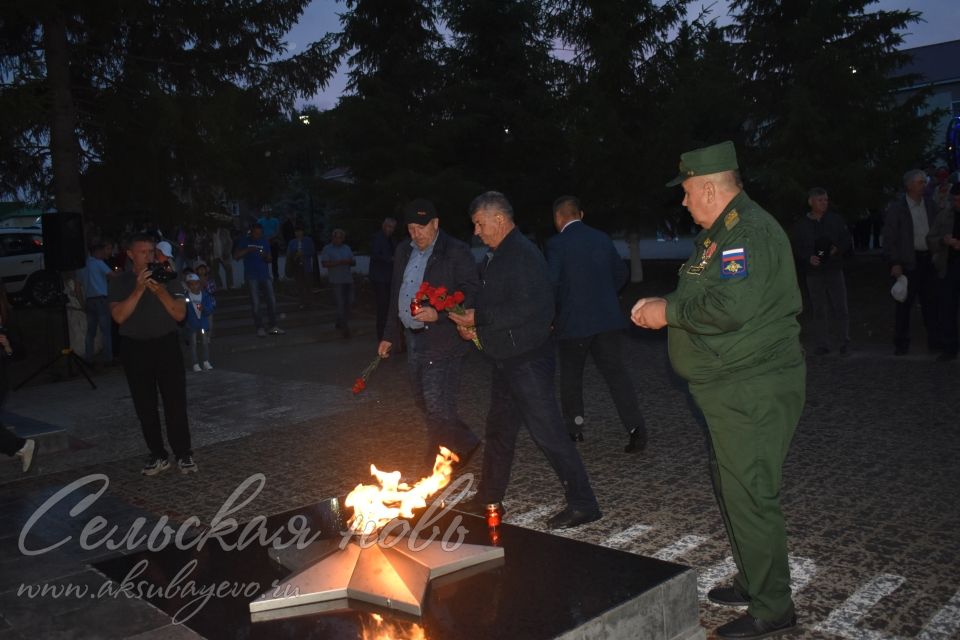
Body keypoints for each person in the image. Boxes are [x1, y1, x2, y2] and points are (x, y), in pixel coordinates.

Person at [631, 142, 804, 639]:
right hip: (729, 387)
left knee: (750, 491)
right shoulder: (721, 234)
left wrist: (668, 313)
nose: (683, 203)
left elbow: (730, 308)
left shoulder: (747, 232)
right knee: (733, 484)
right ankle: (754, 583)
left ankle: (773, 607)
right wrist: (664, 301)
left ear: (709, 187)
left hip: (751, 387)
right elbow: (704, 293)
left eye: (686, 192)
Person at [448, 191, 602, 531]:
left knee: (549, 433)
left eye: (479, 224)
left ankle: (584, 503)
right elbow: (494, 302)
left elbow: (533, 308)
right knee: (499, 432)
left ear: (499, 220)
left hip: (527, 362)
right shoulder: (498, 255)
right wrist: (472, 323)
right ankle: (490, 496)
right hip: (506, 360)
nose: (476, 231)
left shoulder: (523, 254)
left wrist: (480, 318)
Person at [377, 199, 480, 474]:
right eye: (410, 228)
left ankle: (434, 470)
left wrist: (441, 314)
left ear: (435, 224)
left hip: (445, 338)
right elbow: (395, 294)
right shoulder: (403, 251)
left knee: (436, 405)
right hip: (414, 339)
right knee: (424, 400)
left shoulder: (455, 251)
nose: (416, 234)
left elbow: (472, 291)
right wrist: (389, 334)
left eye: (421, 228)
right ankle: (467, 441)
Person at [546, 196, 648, 452]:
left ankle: (575, 429)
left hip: (573, 323)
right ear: (581, 213)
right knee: (617, 376)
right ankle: (636, 429)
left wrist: (552, 316)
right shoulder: (601, 238)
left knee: (572, 378)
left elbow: (552, 284)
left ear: (558, 218)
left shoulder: (557, 244)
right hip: (607, 320)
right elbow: (621, 273)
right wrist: (604, 297)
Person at [109, 234, 197, 475]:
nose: (148, 256)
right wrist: (138, 289)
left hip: (166, 344)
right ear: (130, 254)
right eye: (143, 252)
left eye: (151, 251)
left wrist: (159, 291)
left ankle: (183, 452)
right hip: (135, 348)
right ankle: (157, 454)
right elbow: (118, 317)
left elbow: (179, 314)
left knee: (175, 402)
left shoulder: (169, 278)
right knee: (145, 405)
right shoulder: (120, 281)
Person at [883, 169, 941, 356]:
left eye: (924, 182)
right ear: (909, 185)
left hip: (928, 260)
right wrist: (895, 262)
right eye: (920, 182)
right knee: (903, 305)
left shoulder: (931, 206)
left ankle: (935, 341)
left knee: (931, 304)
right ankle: (901, 344)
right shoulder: (897, 209)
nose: (924, 185)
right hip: (908, 262)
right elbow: (890, 238)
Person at [791, 188, 852, 355]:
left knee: (840, 306)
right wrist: (807, 257)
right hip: (814, 272)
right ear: (811, 202)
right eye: (820, 200)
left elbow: (846, 240)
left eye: (825, 200)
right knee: (819, 308)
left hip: (833, 268)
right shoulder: (802, 224)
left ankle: (844, 341)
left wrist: (836, 249)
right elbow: (796, 246)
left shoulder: (835, 220)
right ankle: (822, 344)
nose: (824, 203)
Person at [0, 287, 36, 473]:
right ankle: (20, 446)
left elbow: (20, 352)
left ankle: (20, 446)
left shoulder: (7, 317)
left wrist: (7, 346)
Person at [927, 182, 960, 361]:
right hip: (950, 267)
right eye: (955, 200)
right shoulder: (945, 216)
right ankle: (950, 346)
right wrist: (943, 241)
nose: (957, 203)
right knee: (948, 308)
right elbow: (930, 238)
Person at [233, 223, 285, 338]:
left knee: (272, 301)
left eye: (260, 233)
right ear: (251, 232)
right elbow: (236, 256)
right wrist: (248, 250)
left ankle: (273, 326)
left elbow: (270, 259)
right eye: (256, 233)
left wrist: (266, 257)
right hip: (252, 276)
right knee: (256, 303)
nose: (258, 235)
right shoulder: (244, 241)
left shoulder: (264, 241)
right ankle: (260, 327)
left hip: (265, 275)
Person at [76, 241, 117, 366]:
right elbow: (113, 276)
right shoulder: (99, 263)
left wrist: (82, 303)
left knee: (91, 332)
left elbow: (77, 288)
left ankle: (89, 357)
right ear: (97, 252)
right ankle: (108, 358)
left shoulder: (81, 266)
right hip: (101, 299)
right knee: (106, 331)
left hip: (89, 300)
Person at [320, 229, 356, 338]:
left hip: (348, 279)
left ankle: (339, 320)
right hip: (336, 280)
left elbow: (353, 261)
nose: (339, 239)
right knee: (340, 303)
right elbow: (324, 263)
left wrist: (349, 261)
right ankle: (345, 328)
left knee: (350, 301)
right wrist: (338, 262)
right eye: (337, 237)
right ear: (333, 238)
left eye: (341, 237)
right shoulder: (327, 249)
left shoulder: (347, 248)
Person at [370, 217, 398, 341]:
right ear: (383, 225)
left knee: (389, 307)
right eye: (388, 226)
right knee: (382, 308)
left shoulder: (392, 239)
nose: (390, 229)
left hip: (390, 278)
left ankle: (390, 336)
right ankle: (381, 337)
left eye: (392, 227)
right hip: (379, 278)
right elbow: (376, 254)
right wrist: (389, 259)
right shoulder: (377, 237)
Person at [184, 273, 216, 371]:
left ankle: (206, 361)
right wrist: (186, 324)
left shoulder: (205, 295)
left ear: (199, 283)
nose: (194, 286)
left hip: (202, 323)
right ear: (188, 285)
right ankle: (195, 363)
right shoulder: (186, 297)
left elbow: (210, 309)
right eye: (191, 284)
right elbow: (184, 311)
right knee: (193, 344)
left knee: (204, 343)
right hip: (192, 324)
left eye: (195, 283)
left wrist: (204, 309)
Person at [285, 223, 316, 309]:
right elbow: (289, 254)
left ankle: (310, 302)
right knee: (299, 285)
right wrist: (295, 256)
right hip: (296, 267)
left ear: (303, 232)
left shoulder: (308, 240)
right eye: (296, 231)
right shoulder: (292, 242)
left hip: (307, 266)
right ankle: (301, 302)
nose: (298, 233)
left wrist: (303, 254)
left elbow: (312, 252)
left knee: (308, 285)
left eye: (299, 231)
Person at [257, 207, 282, 281]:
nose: (266, 213)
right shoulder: (260, 221)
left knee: (274, 260)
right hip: (263, 243)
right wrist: (265, 238)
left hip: (273, 242)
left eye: (268, 212)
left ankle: (276, 276)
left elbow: (277, 231)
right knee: (263, 260)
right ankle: (264, 275)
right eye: (265, 212)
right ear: (263, 213)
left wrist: (271, 238)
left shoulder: (275, 220)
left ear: (270, 212)